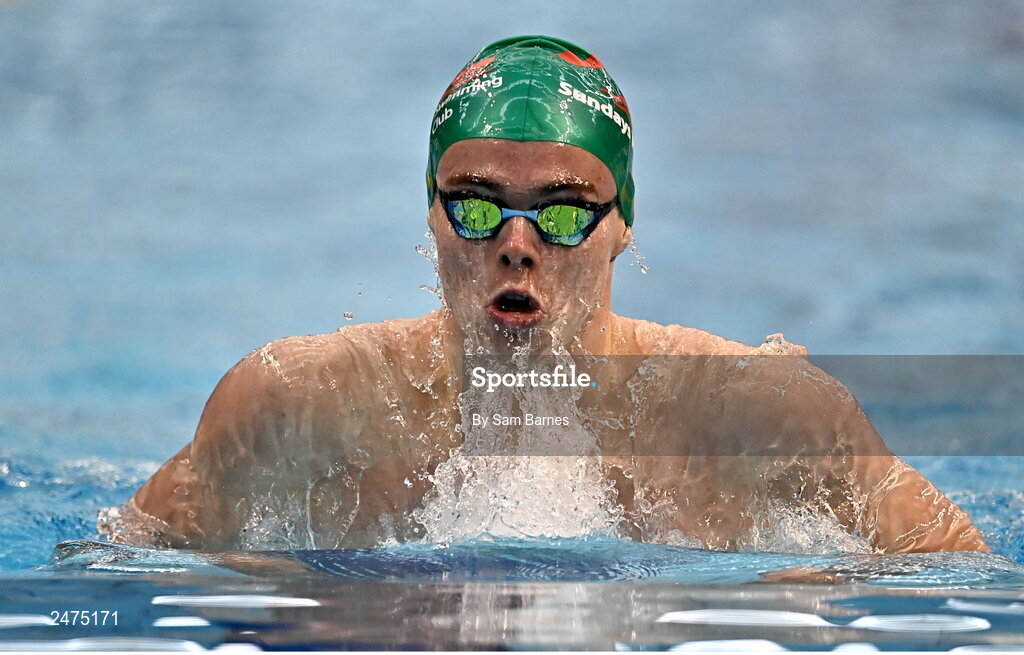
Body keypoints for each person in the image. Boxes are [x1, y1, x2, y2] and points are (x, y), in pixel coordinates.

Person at [109, 36, 987, 553]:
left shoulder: (764, 420)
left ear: (622, 224)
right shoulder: (292, 407)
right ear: (433, 215)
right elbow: (108, 586)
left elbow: (967, 590)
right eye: (478, 207)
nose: (515, 247)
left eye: (563, 212)